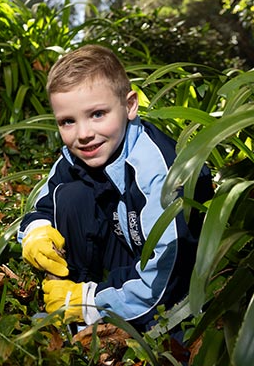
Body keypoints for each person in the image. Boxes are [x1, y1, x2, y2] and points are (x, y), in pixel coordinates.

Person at [18, 44, 213, 333]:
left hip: (179, 279)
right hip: (127, 250)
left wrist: (89, 302)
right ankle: (73, 307)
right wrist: (36, 232)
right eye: (68, 121)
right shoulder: (79, 154)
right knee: (69, 196)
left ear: (130, 105)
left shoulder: (160, 173)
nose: (83, 134)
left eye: (97, 114)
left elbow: (164, 275)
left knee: (175, 338)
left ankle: (91, 310)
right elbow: (45, 204)